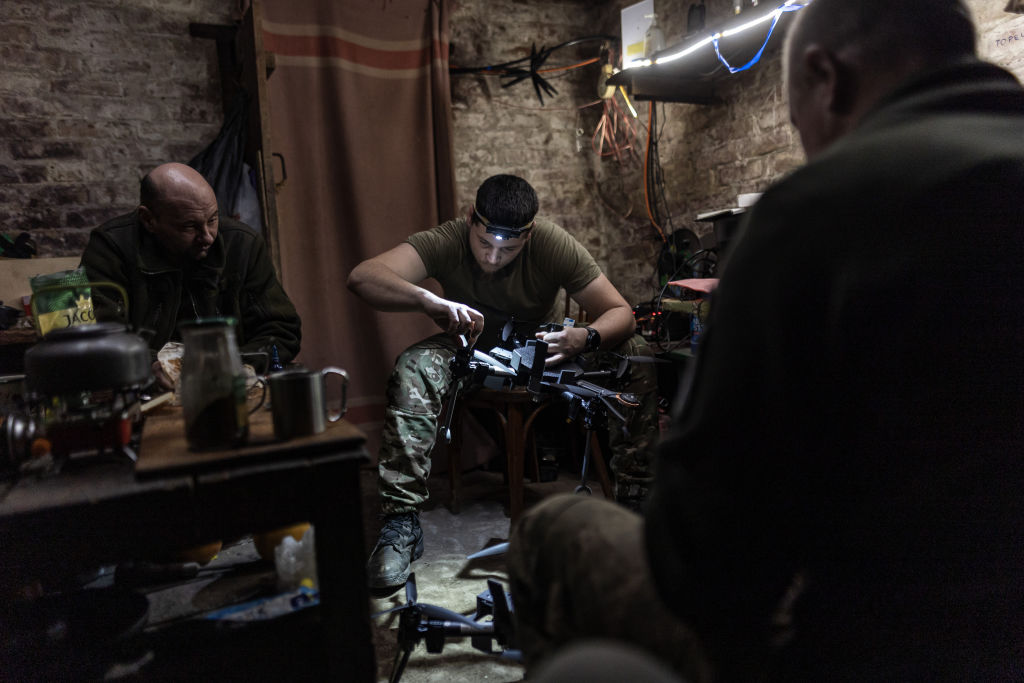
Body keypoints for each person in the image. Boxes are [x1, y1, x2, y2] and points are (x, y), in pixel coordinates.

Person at [508, 1, 1024, 681]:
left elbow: (704, 564)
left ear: (825, 76)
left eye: (795, 118)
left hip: (885, 650)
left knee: (556, 531)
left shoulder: (815, 213)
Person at [347, 174, 659, 589]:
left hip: (540, 353)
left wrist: (586, 337)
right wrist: (428, 299)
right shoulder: (448, 238)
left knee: (636, 350)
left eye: (508, 249)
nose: (493, 259)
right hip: (468, 348)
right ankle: (401, 522)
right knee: (414, 366)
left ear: (527, 236)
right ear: (470, 220)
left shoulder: (551, 242)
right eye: (484, 245)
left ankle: (637, 502)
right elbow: (363, 277)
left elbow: (621, 312)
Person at [81, 163, 301, 389]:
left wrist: (227, 366)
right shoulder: (112, 249)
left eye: (213, 219)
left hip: (231, 387)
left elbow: (280, 330)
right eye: (189, 226)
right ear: (148, 220)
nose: (207, 237)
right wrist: (148, 366)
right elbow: (97, 339)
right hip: (147, 393)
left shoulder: (242, 245)